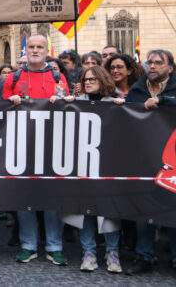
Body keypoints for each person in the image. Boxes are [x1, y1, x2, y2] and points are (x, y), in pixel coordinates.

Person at [3, 35, 69, 266]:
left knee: (52, 198)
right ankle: (28, 245)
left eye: (39, 47)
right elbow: (1, 109)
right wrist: (10, 100)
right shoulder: (14, 77)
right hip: (22, 145)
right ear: (25, 50)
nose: (34, 50)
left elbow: (66, 106)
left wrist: (62, 100)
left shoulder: (58, 77)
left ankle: (55, 246)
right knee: (25, 197)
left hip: (52, 145)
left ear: (46, 50)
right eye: (31, 46)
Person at [52, 66, 124, 273]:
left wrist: (123, 107)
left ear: (103, 80)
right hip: (82, 165)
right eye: (86, 79)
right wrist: (61, 103)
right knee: (85, 211)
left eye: (93, 79)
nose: (89, 82)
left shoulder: (114, 103)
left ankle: (113, 252)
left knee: (109, 211)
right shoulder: (76, 102)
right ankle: (88, 252)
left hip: (107, 165)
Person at [125, 49, 176, 275]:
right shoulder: (137, 89)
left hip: (172, 159)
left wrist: (162, 100)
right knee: (144, 209)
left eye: (158, 62)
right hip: (144, 156)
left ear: (170, 68)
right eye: (150, 62)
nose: (152, 66)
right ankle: (144, 256)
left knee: (173, 208)